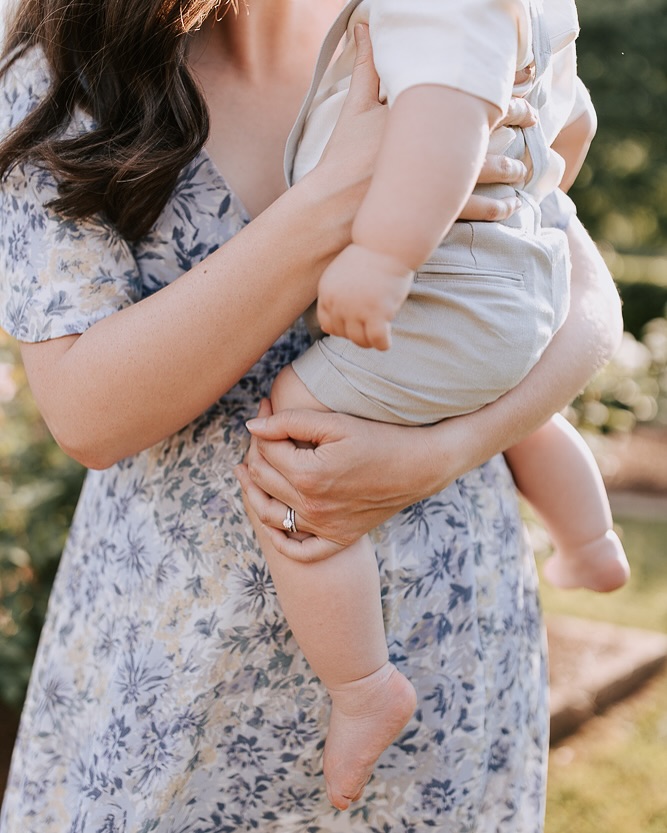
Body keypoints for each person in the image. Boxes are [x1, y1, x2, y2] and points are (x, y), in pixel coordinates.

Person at [0, 1, 622, 831]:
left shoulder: (434, 20)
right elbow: (88, 414)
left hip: (444, 645)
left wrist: (451, 447)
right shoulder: (61, 65)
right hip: (181, 675)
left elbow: (574, 289)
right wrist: (335, 202)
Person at [243, 0, 629, 810]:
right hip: (516, 276)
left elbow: (444, 117)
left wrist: (381, 257)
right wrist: (539, 196)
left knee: (295, 424)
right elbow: (574, 127)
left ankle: (361, 687)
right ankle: (588, 539)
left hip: (443, 286)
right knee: (501, 403)